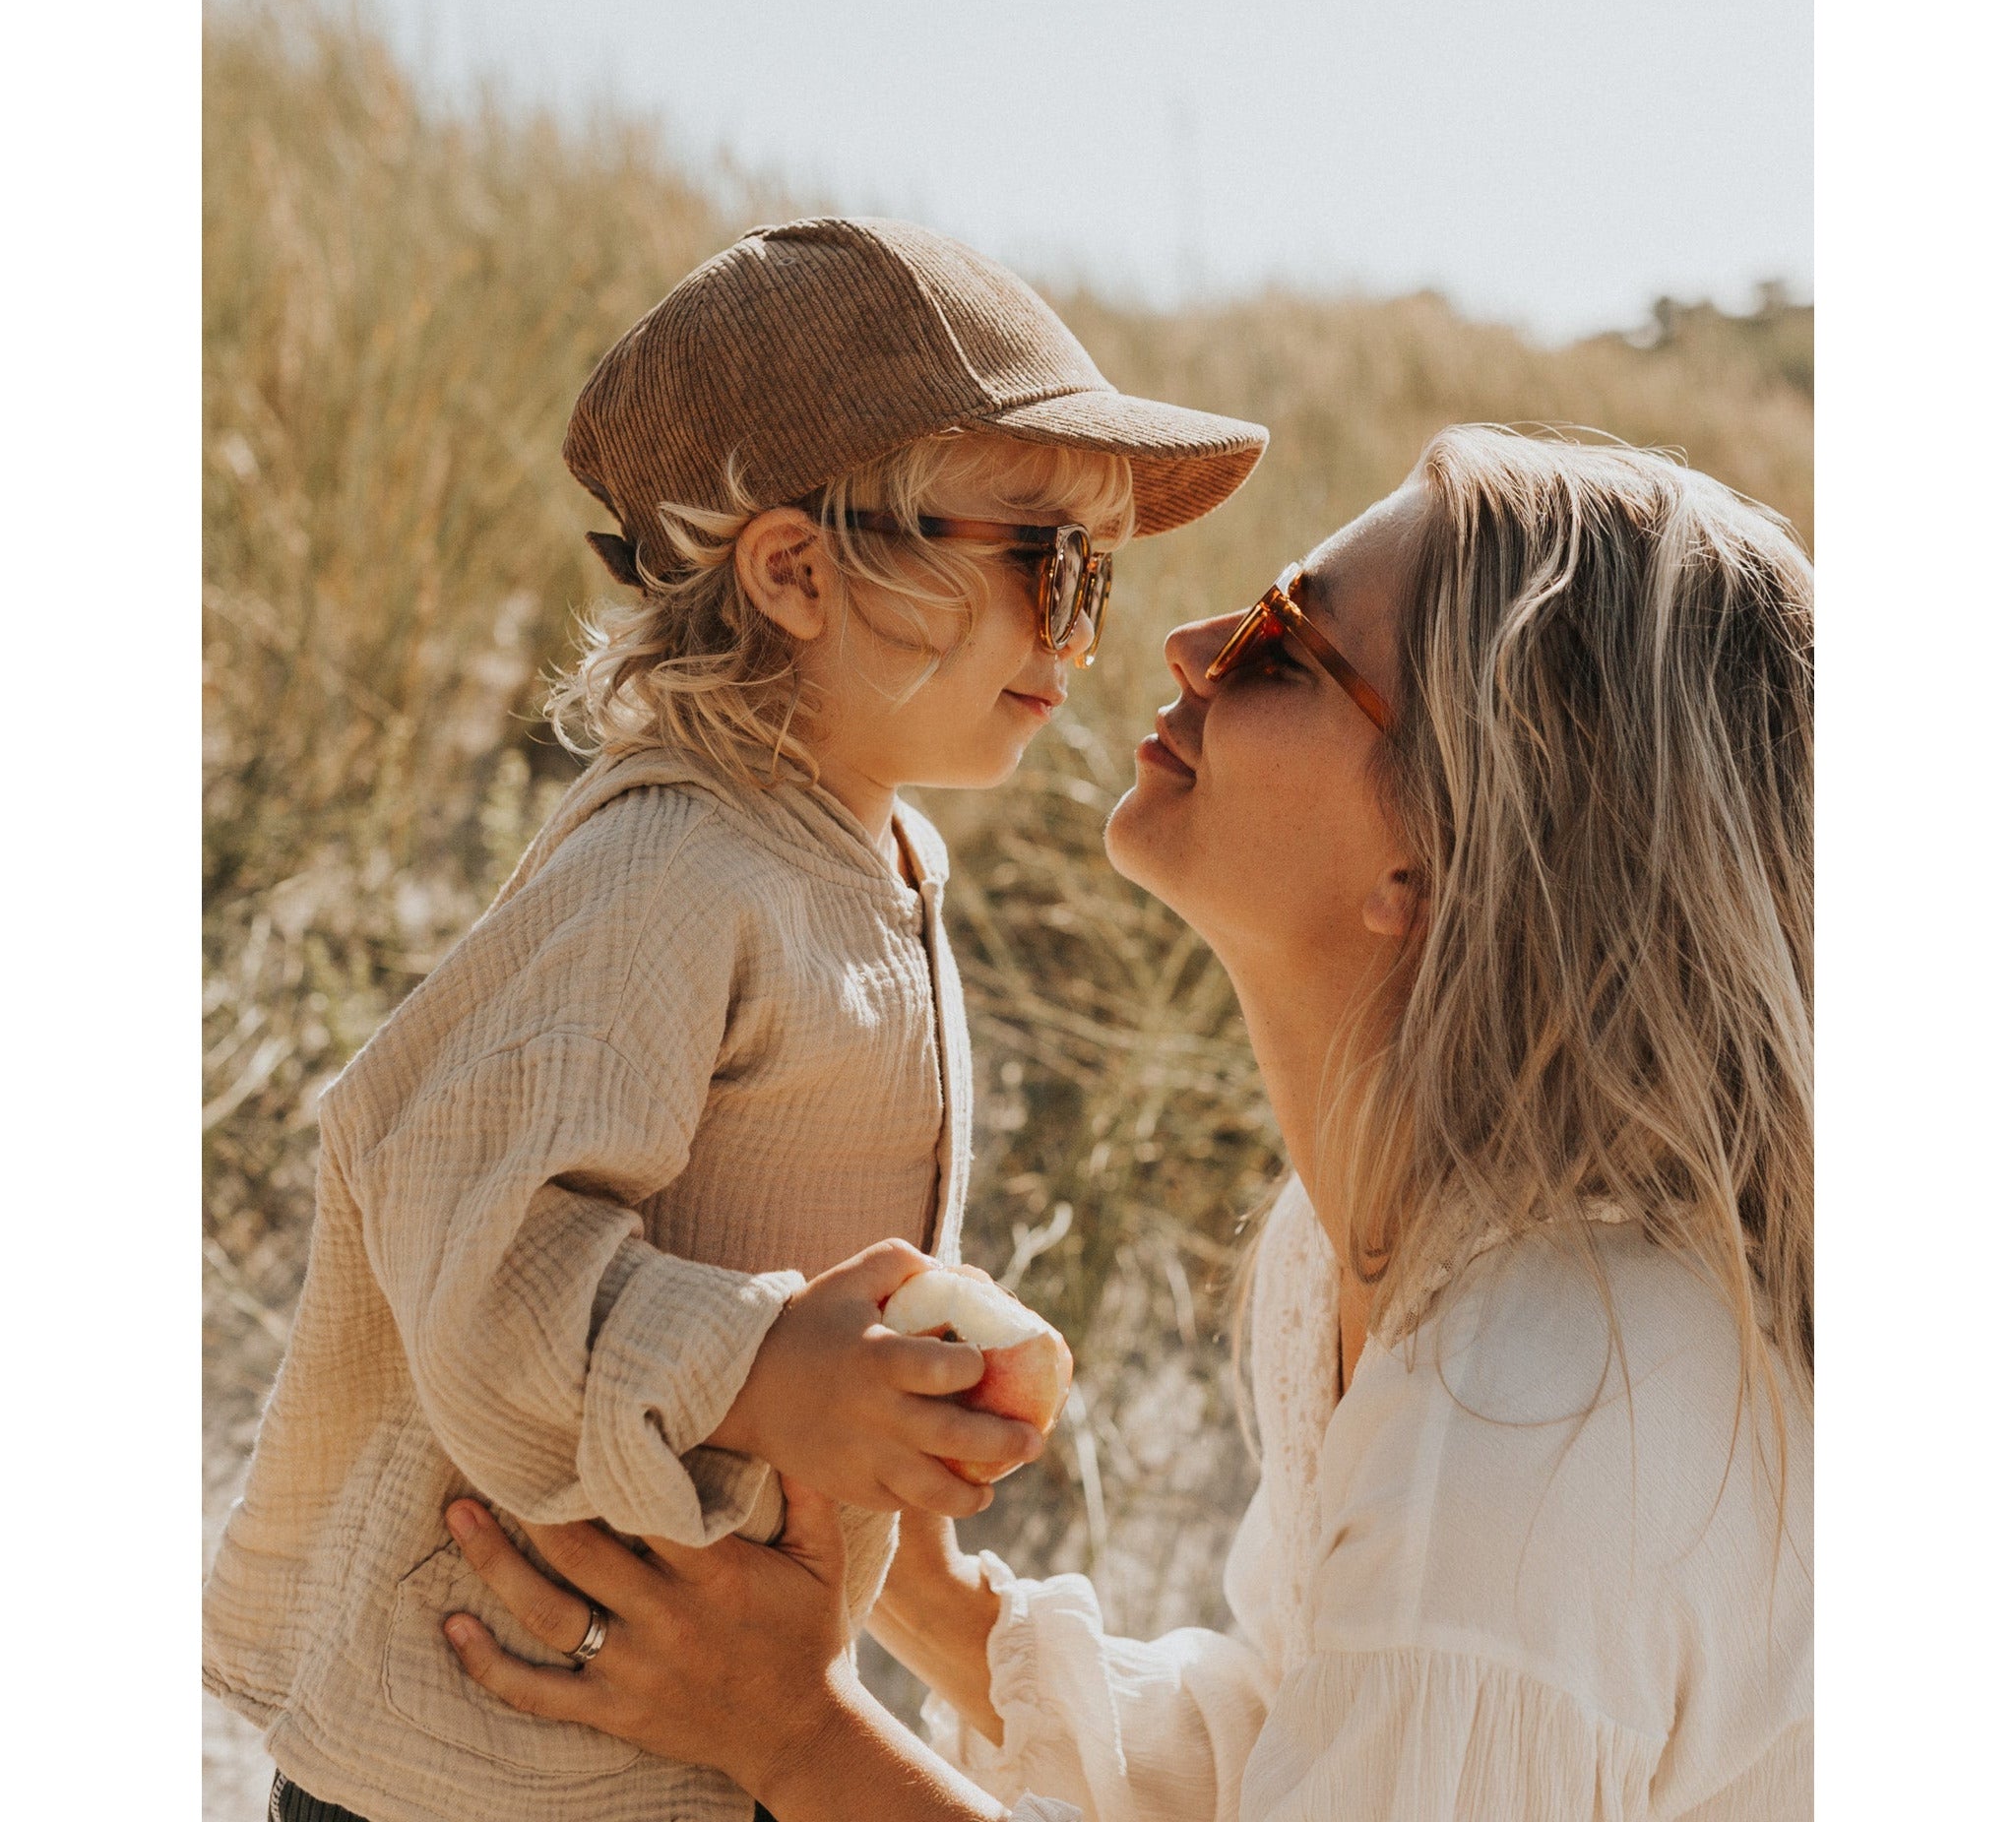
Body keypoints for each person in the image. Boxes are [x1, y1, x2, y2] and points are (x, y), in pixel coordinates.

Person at [439, 425, 1815, 1821]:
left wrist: (797, 1737)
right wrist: (922, 1595)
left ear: (1436, 846)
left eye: (1286, 642)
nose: (1193, 642)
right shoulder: (1368, 1251)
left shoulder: (1530, 1419)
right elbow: (1304, 1743)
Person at [201, 216, 1270, 1822]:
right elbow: (467, 1235)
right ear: (794, 571)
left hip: (668, 1735)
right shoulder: (671, 867)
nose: (1074, 631)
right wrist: (762, 1368)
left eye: (1097, 577)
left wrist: (885, 1402)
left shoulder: (871, 851)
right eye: (1041, 562)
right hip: (484, 1759)